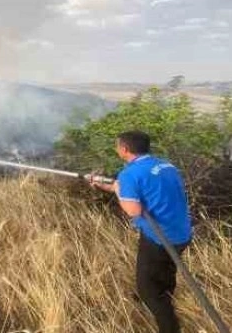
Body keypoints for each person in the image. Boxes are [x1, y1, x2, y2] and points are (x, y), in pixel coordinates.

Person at [90, 130, 192, 333]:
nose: (117, 149)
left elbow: (133, 210)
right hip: (182, 232)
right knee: (166, 270)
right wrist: (107, 186)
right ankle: (166, 294)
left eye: (117, 146)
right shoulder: (165, 165)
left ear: (124, 149)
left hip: (160, 237)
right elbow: (145, 190)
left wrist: (119, 188)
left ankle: (168, 326)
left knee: (147, 289)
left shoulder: (129, 174)